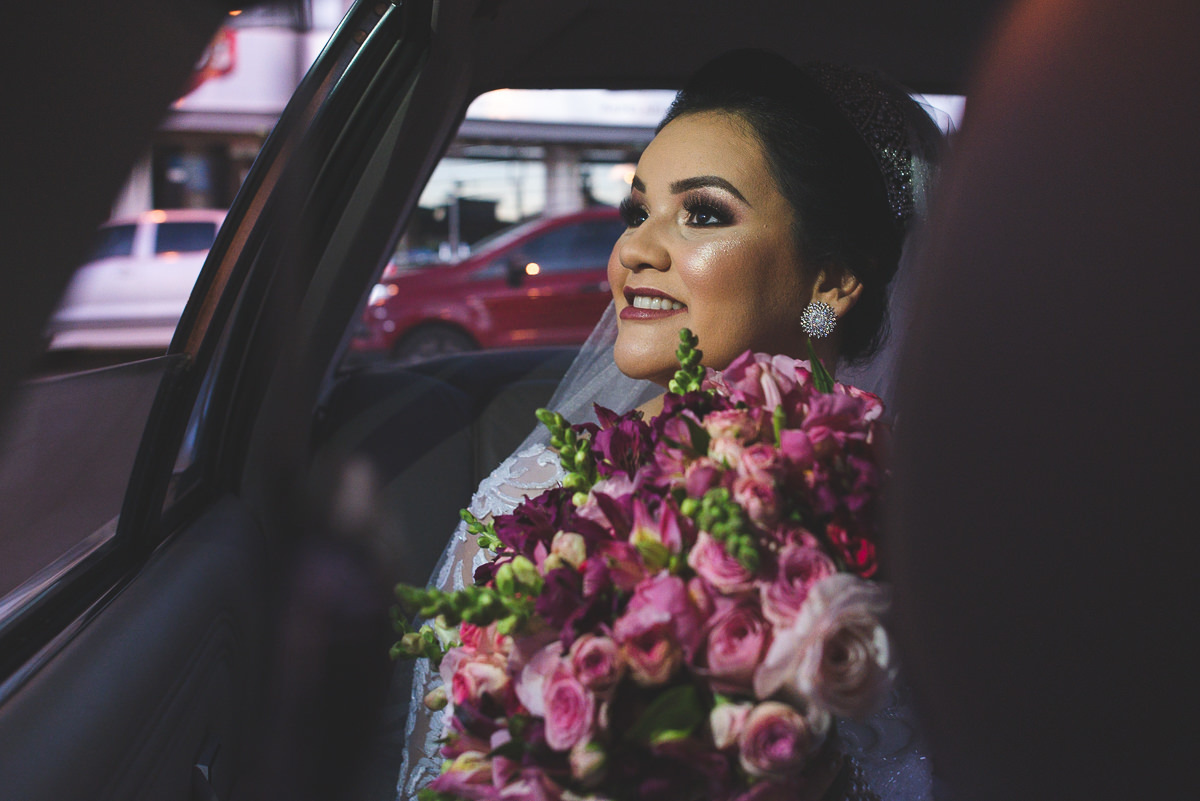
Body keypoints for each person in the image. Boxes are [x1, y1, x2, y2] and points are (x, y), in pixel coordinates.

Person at [394, 49, 944, 800]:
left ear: (833, 277)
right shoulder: (531, 506)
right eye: (637, 212)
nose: (633, 249)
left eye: (702, 213)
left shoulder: (921, 512)